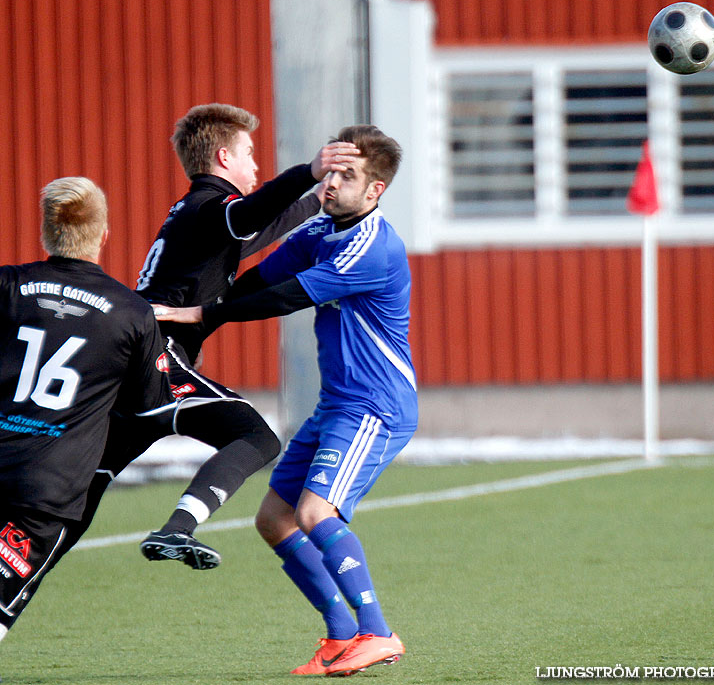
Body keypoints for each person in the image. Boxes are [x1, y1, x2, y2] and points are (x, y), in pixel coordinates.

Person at [154, 124, 417, 676]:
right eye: (333, 169)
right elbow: (257, 281)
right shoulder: (322, 230)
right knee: (275, 521)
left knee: (315, 510)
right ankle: (342, 635)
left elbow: (286, 298)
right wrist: (188, 317)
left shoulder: (374, 247)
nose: (333, 181)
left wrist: (204, 315)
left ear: (375, 192)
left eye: (349, 176)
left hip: (377, 404)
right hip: (339, 403)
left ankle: (378, 632)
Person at [54, 103, 359, 571]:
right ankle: (178, 528)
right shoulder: (208, 208)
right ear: (222, 158)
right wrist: (308, 172)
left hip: (130, 362)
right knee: (256, 437)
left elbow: (261, 228)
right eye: (250, 154)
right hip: (154, 355)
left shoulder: (200, 216)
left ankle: (19, 574)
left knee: (86, 484)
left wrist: (319, 198)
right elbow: (254, 212)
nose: (256, 166)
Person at [0, 177, 174, 644]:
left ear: (45, 231)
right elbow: (151, 407)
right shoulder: (131, 312)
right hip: (44, 492)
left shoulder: (7, 285)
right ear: (103, 235)